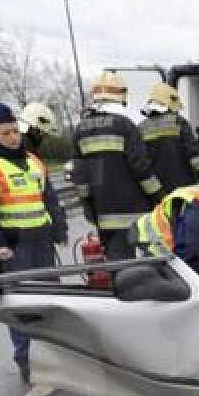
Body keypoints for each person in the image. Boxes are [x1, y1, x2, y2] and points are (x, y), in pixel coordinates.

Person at [0, 102, 68, 381]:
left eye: (15, 131)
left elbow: (50, 200)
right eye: (6, 133)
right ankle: (27, 361)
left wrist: (60, 231)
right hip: (13, 248)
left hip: (42, 242)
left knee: (50, 300)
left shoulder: (34, 161)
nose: (13, 137)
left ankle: (55, 354)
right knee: (21, 306)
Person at [71, 71, 164, 260]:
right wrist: (159, 196)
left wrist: (88, 206)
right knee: (141, 269)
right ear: (120, 96)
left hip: (104, 215)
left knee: (115, 266)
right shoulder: (125, 126)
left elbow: (82, 178)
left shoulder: (80, 131)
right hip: (135, 213)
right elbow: (141, 168)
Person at [139, 82, 199, 192]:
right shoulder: (178, 121)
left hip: (156, 188)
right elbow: (194, 154)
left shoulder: (141, 127)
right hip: (182, 184)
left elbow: (141, 161)